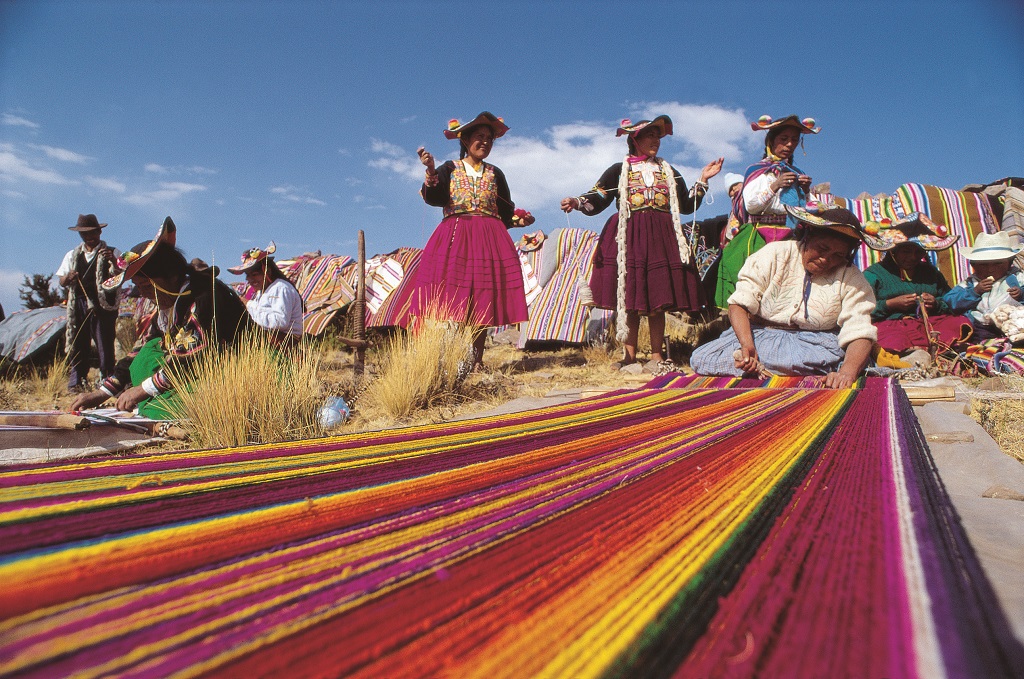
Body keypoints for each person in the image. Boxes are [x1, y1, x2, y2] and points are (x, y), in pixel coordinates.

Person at [560, 115, 723, 367]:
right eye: (650, 135)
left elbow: (687, 205)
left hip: (661, 235)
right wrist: (577, 202)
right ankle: (629, 356)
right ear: (634, 138)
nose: (655, 140)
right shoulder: (619, 170)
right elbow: (599, 197)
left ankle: (657, 355)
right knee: (631, 297)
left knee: (657, 298)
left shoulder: (668, 171)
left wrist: (703, 179)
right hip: (629, 234)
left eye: (658, 136)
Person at [69, 217, 251, 418]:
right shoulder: (167, 306)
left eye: (147, 286)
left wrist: (141, 390)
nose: (144, 294)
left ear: (172, 276)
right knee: (148, 352)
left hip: (234, 372)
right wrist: (101, 393)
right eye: (139, 288)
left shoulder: (204, 297)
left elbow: (189, 361)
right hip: (195, 373)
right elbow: (138, 351)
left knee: (159, 405)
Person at [691, 205, 877, 389]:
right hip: (759, 338)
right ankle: (773, 369)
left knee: (848, 362)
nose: (826, 259)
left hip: (816, 346)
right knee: (702, 358)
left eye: (838, 255)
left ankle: (767, 371)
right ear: (808, 235)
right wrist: (747, 346)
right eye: (822, 249)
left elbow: (859, 330)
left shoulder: (851, 277)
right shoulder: (775, 254)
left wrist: (848, 372)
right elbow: (739, 304)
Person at [412, 111, 534, 368]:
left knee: (482, 297)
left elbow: (505, 212)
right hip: (457, 237)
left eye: (489, 139)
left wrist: (520, 221)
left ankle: (477, 360)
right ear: (465, 140)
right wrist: (431, 170)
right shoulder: (449, 168)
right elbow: (434, 197)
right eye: (479, 137)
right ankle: (452, 357)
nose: (485, 142)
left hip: (489, 239)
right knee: (454, 297)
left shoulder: (495, 174)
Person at [715, 115, 820, 308]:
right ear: (771, 141)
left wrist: (804, 192)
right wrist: (775, 185)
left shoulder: (796, 173)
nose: (789, 144)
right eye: (783, 139)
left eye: (794, 140)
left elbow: (806, 211)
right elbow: (751, 206)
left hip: (789, 237)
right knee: (755, 285)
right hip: (759, 236)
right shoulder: (758, 171)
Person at [861, 213, 971, 360]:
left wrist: (936, 303)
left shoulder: (930, 272)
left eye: (919, 252)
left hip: (928, 324)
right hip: (891, 325)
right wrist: (890, 305)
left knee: (958, 323)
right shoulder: (874, 274)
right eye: (906, 251)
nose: (913, 257)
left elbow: (950, 302)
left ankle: (935, 352)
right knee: (889, 340)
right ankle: (914, 355)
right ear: (893, 251)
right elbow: (860, 310)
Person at [56, 214, 122, 391]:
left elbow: (122, 275)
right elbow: (61, 280)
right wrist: (68, 277)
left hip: (103, 305)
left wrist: (114, 262)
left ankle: (108, 382)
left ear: (99, 232)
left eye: (93, 232)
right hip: (78, 303)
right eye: (84, 234)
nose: (89, 237)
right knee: (78, 342)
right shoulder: (72, 255)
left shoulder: (113, 252)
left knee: (105, 343)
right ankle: (76, 381)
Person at [943, 232, 1023, 340]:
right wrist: (975, 292)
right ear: (973, 265)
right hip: (980, 326)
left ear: (1009, 263)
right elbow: (950, 300)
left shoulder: (1016, 278)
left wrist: (1020, 294)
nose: (990, 269)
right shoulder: (970, 283)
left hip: (1012, 324)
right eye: (984, 264)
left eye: (998, 263)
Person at [228, 242, 304, 345]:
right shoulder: (262, 292)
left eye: (254, 275)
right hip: (268, 337)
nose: (250, 279)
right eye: (248, 276)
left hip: (283, 341)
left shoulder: (280, 288)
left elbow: (280, 322)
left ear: (267, 272)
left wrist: (249, 305)